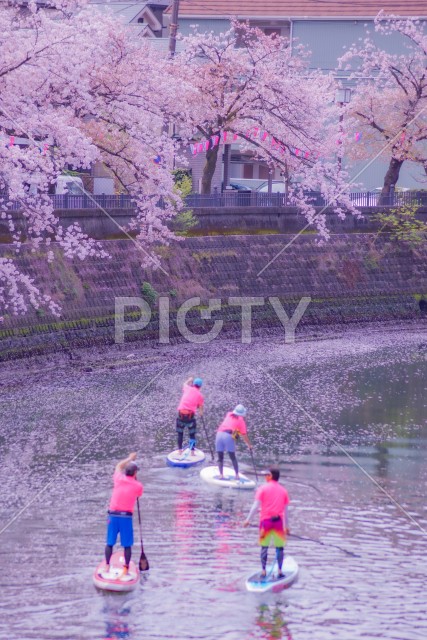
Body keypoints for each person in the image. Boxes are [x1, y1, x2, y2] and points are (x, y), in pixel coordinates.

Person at [102, 452, 143, 579]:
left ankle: (107, 565)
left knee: (110, 543)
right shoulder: (138, 486)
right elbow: (138, 493)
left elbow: (119, 465)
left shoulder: (118, 478)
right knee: (127, 545)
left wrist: (129, 458)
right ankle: (125, 568)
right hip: (126, 517)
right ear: (135, 473)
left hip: (113, 516)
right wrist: (135, 479)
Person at [243, 466, 290, 578]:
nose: (265, 477)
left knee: (264, 546)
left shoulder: (262, 489)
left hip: (266, 523)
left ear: (271, 476)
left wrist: (248, 520)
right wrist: (286, 527)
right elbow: (286, 511)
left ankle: (263, 571)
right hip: (279, 523)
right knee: (279, 547)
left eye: (266, 475)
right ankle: (279, 571)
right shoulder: (284, 491)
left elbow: (255, 506)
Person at [215, 404, 252, 480]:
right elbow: (244, 435)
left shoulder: (228, 414)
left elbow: (235, 428)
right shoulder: (241, 421)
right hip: (227, 436)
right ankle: (237, 475)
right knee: (232, 457)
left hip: (219, 434)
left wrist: (236, 434)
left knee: (220, 457)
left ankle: (221, 475)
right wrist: (249, 445)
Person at [176, 376, 204, 455]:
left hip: (181, 414)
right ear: (200, 386)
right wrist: (201, 412)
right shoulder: (200, 395)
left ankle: (179, 451)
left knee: (180, 433)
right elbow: (201, 410)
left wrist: (189, 380)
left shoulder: (187, 388)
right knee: (192, 434)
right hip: (190, 416)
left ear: (193, 384)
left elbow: (184, 384)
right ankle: (192, 452)